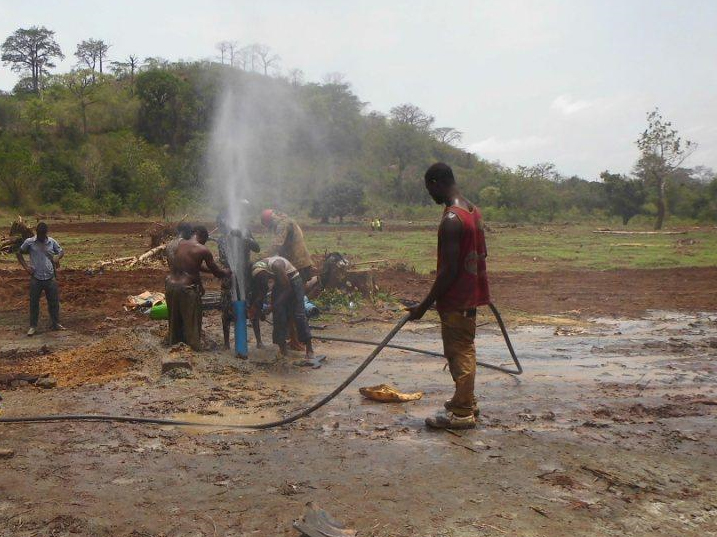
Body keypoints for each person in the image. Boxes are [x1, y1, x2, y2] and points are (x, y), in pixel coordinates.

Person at [407, 163, 490, 430]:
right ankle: (465, 400)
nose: (430, 196)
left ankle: (463, 413)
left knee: (460, 352)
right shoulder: (472, 211)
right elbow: (480, 255)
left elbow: (448, 270)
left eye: (429, 189)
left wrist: (424, 305)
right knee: (462, 349)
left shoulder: (452, 220)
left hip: (457, 298)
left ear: (435, 183)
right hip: (469, 294)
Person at [165, 225, 231, 351]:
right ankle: (193, 350)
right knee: (192, 322)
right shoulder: (203, 250)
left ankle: (173, 345)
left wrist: (210, 272)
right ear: (202, 235)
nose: (205, 242)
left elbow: (193, 266)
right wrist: (227, 272)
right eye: (205, 239)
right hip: (187, 289)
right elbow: (218, 273)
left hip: (171, 286)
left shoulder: (180, 244)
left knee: (175, 320)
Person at [249, 256, 315, 361]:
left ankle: (309, 349)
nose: (265, 281)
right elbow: (262, 291)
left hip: (293, 282)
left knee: (298, 315)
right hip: (280, 283)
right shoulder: (259, 271)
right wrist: (258, 308)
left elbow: (288, 288)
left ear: (267, 273)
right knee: (279, 315)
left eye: (265, 279)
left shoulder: (277, 265)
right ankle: (283, 350)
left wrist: (272, 306)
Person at [216, 211, 261, 350]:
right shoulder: (222, 239)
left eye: (222, 223)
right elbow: (223, 259)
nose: (221, 226)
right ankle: (226, 343)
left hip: (246, 276)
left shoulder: (245, 232)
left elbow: (257, 248)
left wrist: (242, 237)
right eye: (220, 225)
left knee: (250, 304)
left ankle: (259, 341)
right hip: (229, 276)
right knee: (226, 307)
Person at [17, 222, 65, 336]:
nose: (41, 236)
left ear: (46, 233)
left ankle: (56, 323)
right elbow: (19, 253)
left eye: (43, 234)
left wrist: (57, 257)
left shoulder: (52, 242)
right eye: (39, 234)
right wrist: (26, 267)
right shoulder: (29, 242)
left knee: (54, 302)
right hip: (36, 278)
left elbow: (61, 251)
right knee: (34, 303)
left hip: (50, 277)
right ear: (36, 232)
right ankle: (33, 326)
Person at [260, 209, 314, 282]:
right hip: (302, 261)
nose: (269, 228)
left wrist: (260, 257)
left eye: (268, 225)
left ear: (270, 221)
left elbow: (276, 245)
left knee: (297, 288)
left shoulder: (283, 225)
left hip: (297, 263)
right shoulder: (287, 221)